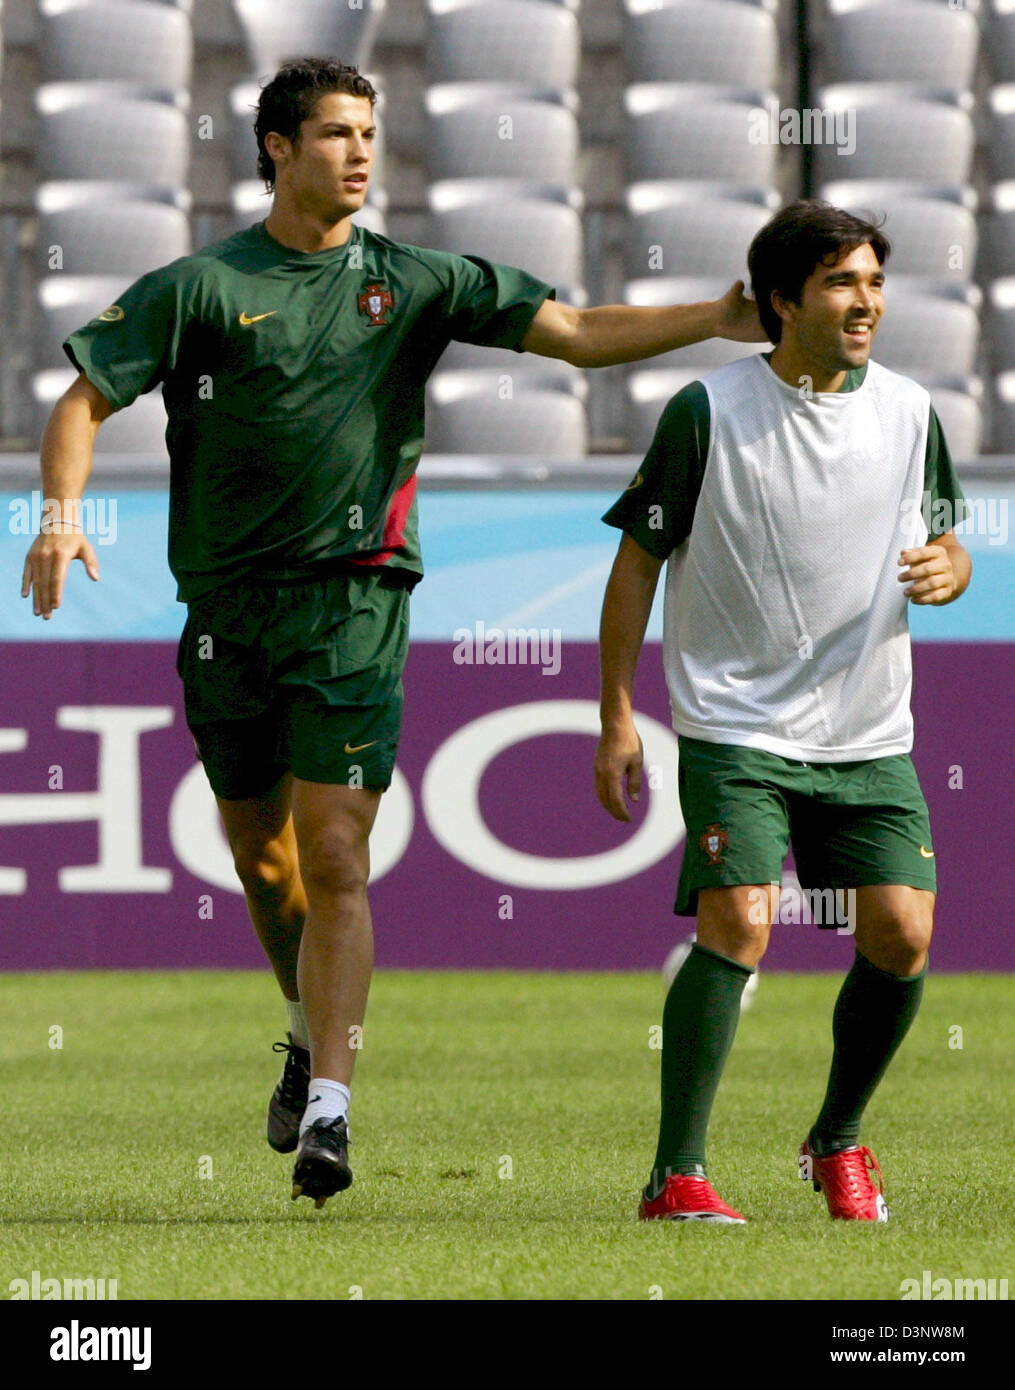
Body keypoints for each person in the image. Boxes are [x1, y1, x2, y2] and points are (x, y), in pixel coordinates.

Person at [20, 58, 764, 1209]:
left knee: (333, 858)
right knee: (268, 874)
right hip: (225, 618)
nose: (361, 152)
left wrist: (713, 318)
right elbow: (79, 401)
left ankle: (331, 1108)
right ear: (275, 147)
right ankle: (298, 1027)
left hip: (357, 606)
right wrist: (60, 519)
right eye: (334, 133)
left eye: (370, 131)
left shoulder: (416, 281)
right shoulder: (203, 286)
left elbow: (571, 329)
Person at [595, 200, 971, 1223]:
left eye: (875, 283)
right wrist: (618, 715)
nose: (866, 303)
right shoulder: (707, 411)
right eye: (843, 283)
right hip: (735, 726)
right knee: (742, 923)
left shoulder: (906, 411)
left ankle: (835, 1140)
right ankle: (676, 1176)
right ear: (782, 300)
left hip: (867, 731)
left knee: (899, 933)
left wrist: (950, 566)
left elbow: (945, 539)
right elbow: (636, 565)